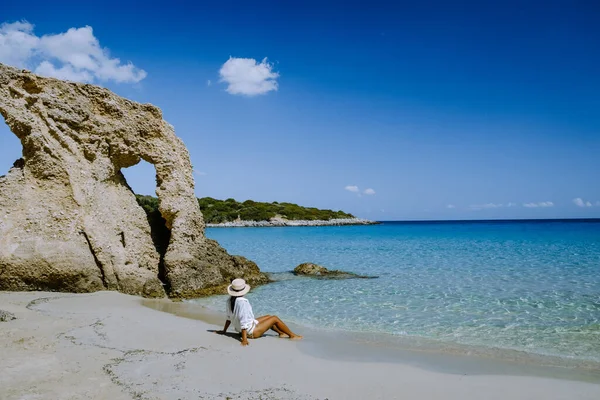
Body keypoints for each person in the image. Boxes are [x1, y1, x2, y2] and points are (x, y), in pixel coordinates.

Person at [215, 278, 303, 346]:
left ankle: (281, 333)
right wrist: (244, 340)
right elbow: (244, 321)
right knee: (274, 318)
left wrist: (224, 331)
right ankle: (292, 335)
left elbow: (228, 318)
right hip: (251, 333)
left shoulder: (229, 300)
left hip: (243, 330)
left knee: (269, 316)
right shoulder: (243, 302)